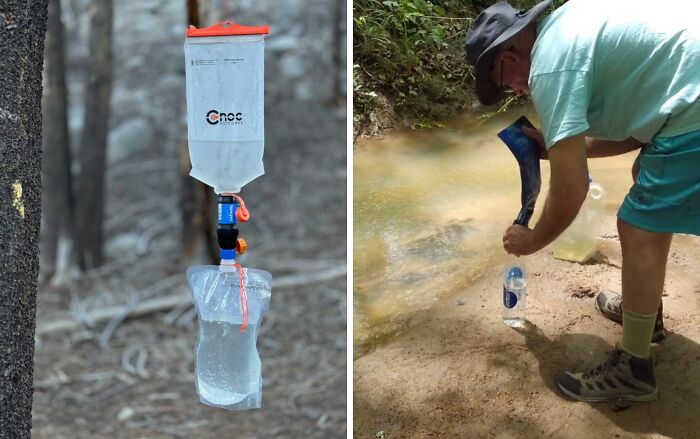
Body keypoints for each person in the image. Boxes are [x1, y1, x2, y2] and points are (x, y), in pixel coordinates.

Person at [466, 0, 700, 402]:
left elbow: (571, 189)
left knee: (638, 224)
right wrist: (562, 146)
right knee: (646, 183)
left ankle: (633, 368)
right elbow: (640, 129)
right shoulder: (569, 27)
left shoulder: (551, 67)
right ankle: (644, 313)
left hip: (693, 104)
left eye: (507, 83)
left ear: (508, 56)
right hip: (686, 94)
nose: (517, 91)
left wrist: (532, 240)